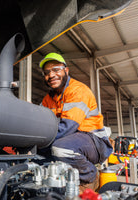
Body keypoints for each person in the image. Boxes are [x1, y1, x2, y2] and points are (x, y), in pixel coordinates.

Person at [38, 52, 113, 193]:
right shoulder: (48, 99)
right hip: (73, 139)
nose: (51, 75)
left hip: (94, 140)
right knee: (37, 153)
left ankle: (89, 176)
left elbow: (67, 127)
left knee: (61, 148)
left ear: (66, 70)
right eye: (47, 72)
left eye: (56, 69)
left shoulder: (77, 90)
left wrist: (38, 142)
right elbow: (39, 123)